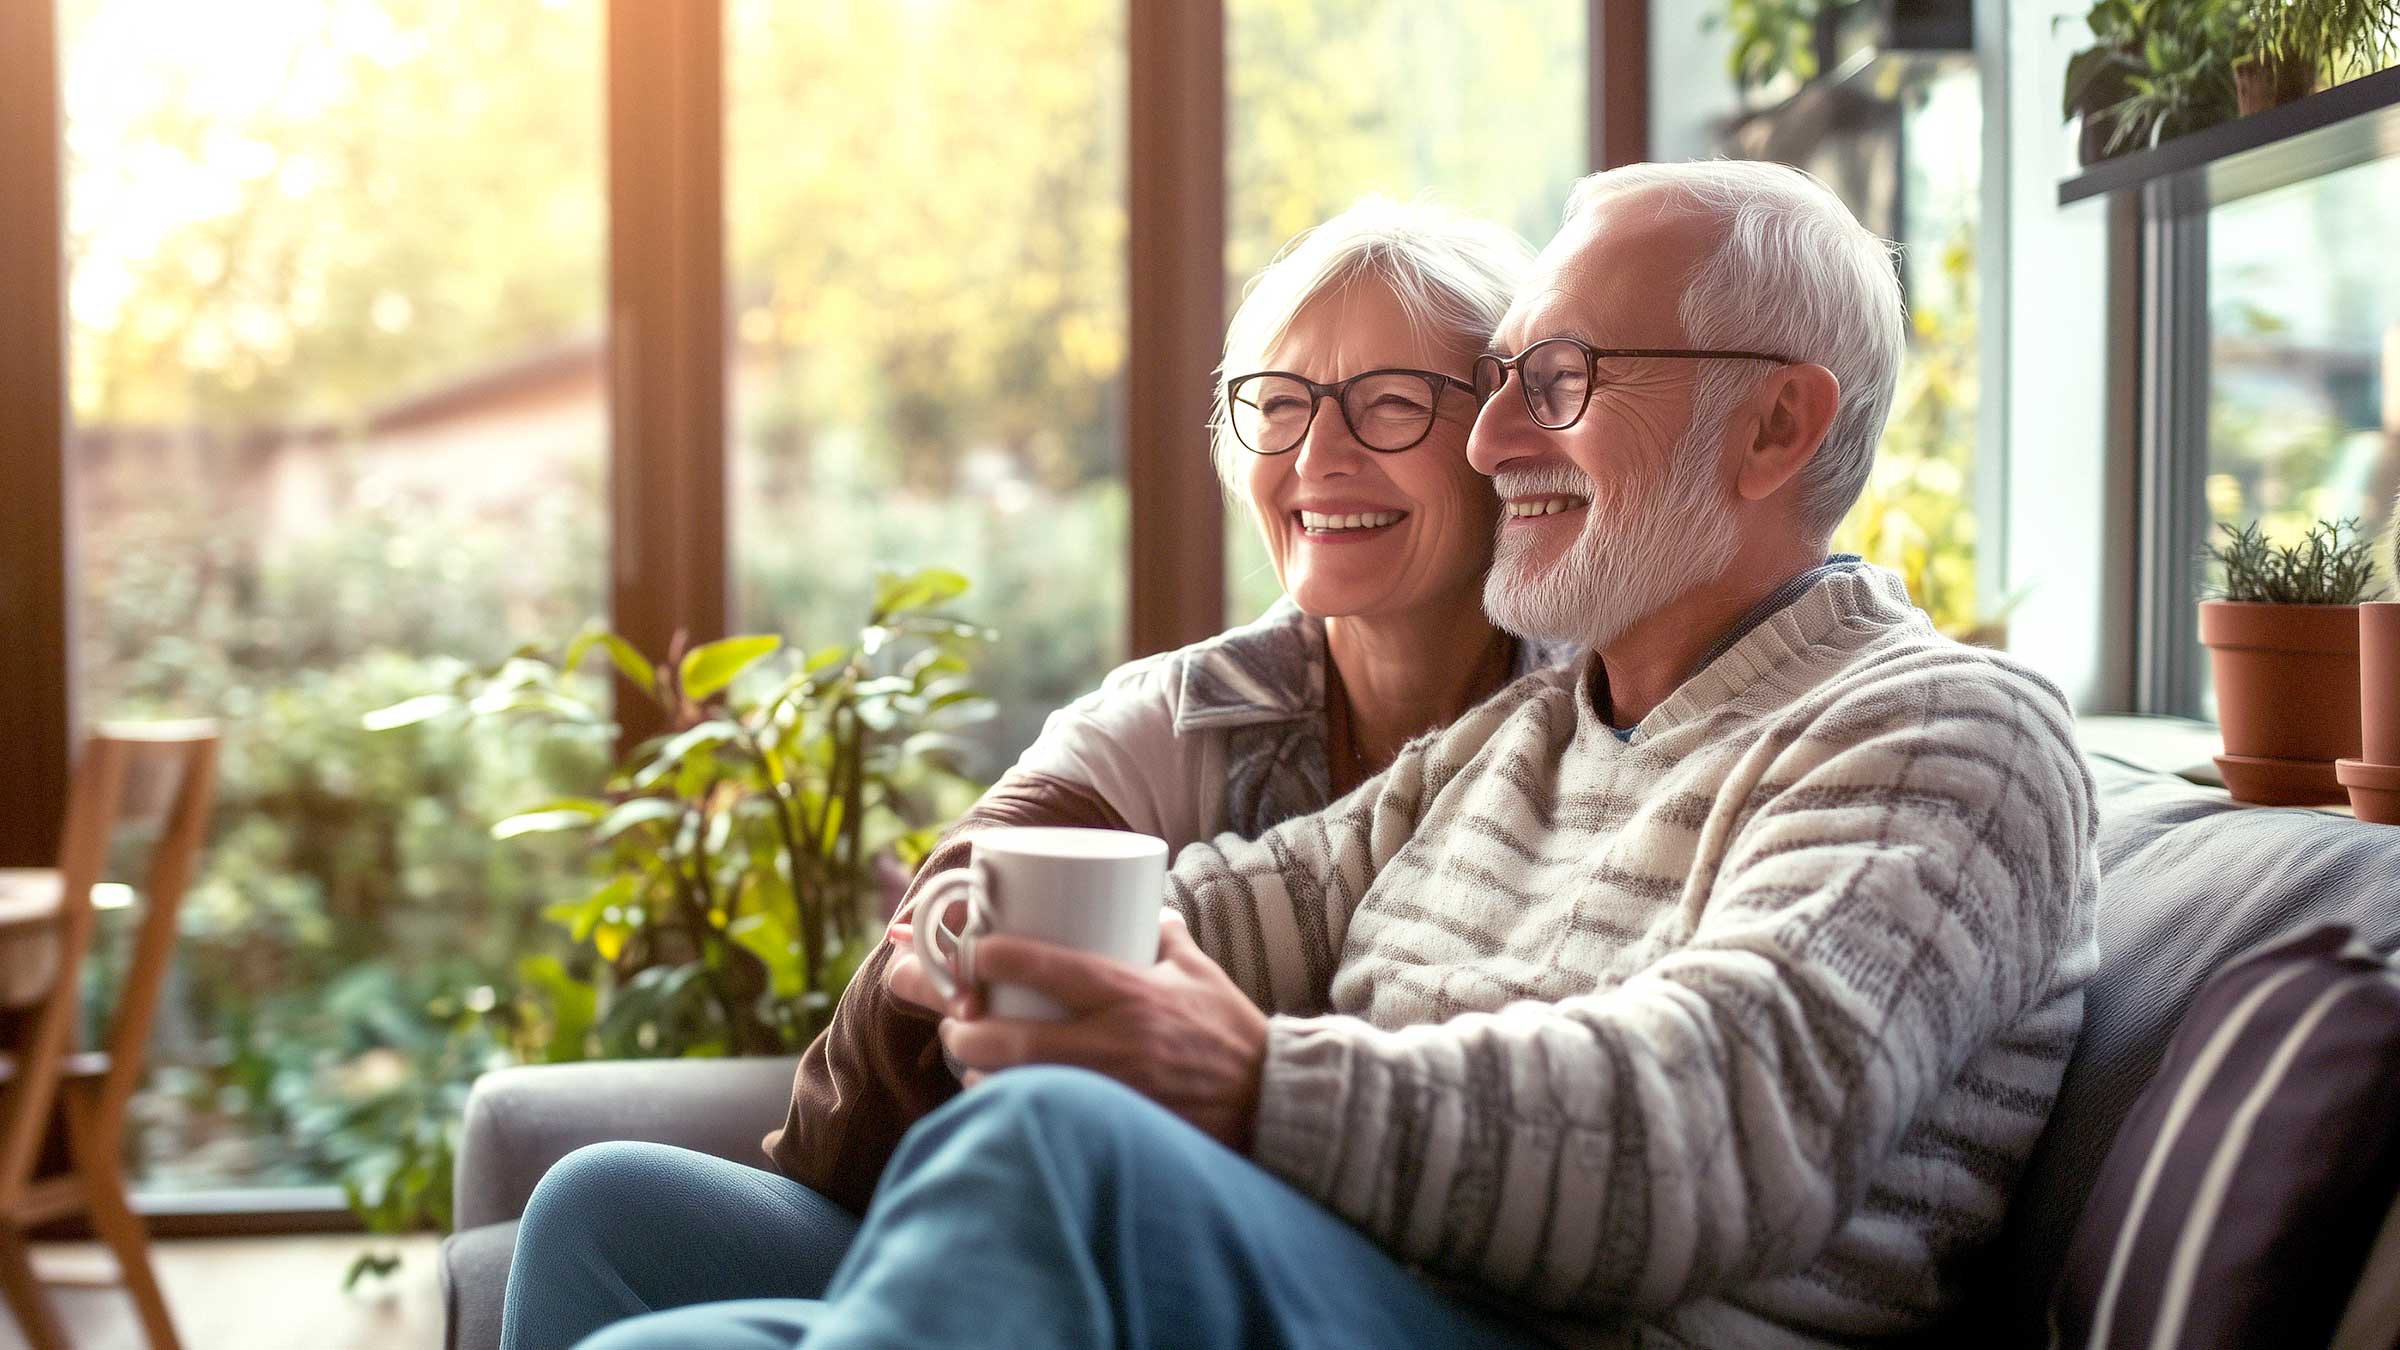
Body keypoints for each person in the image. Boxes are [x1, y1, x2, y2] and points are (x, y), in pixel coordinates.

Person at [518, 158, 2100, 1350]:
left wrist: (1252, 1078)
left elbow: (1712, 1130)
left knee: (1061, 1142)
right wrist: (985, 935)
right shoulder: (1534, 735)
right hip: (1354, 1283)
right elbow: (1230, 903)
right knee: (614, 1228)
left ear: (1773, 428)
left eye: (1556, 384)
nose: (1493, 441)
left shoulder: (1940, 736)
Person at [497, 196, 1568, 1350]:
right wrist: (964, 927)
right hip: (1073, 1216)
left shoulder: (1595, 722)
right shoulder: (1191, 707)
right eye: (1282, 405)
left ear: (1503, 436)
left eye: (1391, 404)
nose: (1317, 456)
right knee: (596, 1208)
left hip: (1311, 1276)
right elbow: (891, 1034)